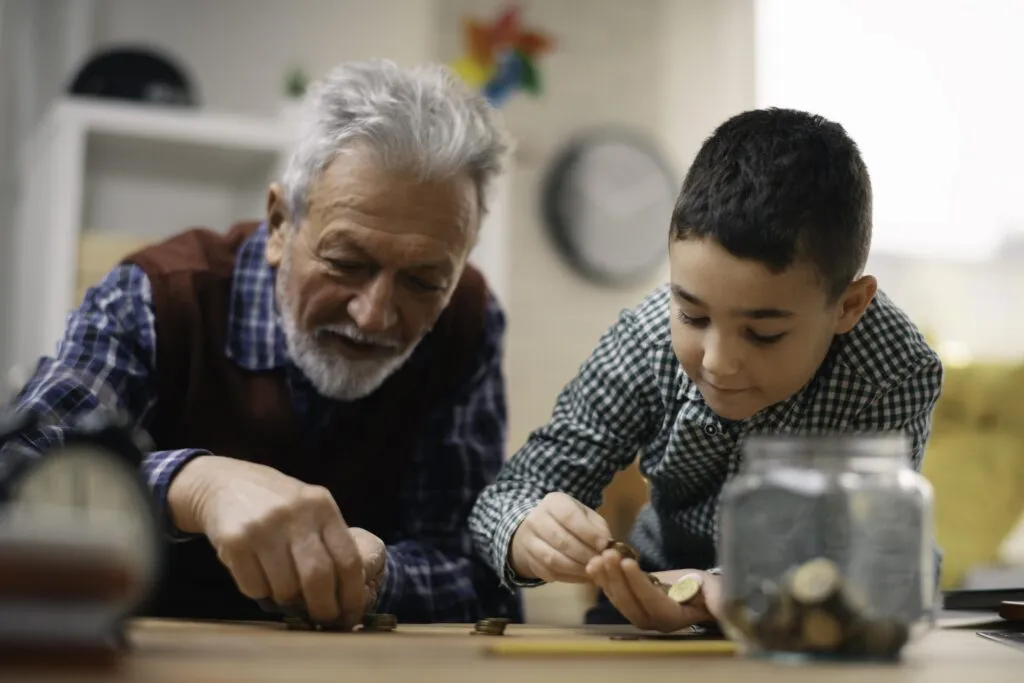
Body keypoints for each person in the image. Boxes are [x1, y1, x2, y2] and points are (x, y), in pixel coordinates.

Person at [0, 59, 521, 629]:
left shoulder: (468, 321)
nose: (373, 315)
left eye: (424, 281)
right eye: (347, 263)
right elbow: (18, 466)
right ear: (279, 225)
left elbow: (481, 573)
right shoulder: (157, 297)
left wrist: (377, 574)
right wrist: (195, 484)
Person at [468, 108, 944, 632]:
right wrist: (524, 531)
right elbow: (509, 495)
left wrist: (732, 585)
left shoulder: (891, 368)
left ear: (849, 307)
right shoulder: (647, 339)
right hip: (653, 587)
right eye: (692, 315)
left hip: (813, 609)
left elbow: (872, 548)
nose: (717, 361)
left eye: (763, 332)